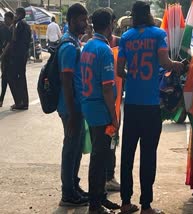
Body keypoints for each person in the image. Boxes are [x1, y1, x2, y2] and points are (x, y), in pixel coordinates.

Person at [117, 1, 184, 214]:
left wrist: (134, 78)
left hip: (132, 104)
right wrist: (177, 65)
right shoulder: (158, 34)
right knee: (148, 155)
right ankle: (146, 206)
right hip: (151, 105)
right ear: (148, 15)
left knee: (127, 155)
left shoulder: (126, 37)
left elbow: (120, 70)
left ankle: (126, 203)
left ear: (133, 16)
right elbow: (164, 63)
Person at [81, 8, 122, 214]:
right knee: (99, 158)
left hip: (90, 106)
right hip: (101, 110)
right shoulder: (103, 49)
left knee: (101, 156)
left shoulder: (88, 46)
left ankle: (100, 198)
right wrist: (114, 118)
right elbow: (107, 88)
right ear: (111, 24)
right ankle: (95, 205)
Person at [57, 3, 89, 207]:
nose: (85, 23)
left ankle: (74, 185)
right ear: (71, 21)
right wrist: (72, 111)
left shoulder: (75, 42)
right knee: (70, 148)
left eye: (85, 19)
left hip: (77, 106)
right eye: (81, 20)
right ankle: (67, 193)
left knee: (76, 148)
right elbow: (66, 82)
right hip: (71, 108)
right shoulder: (68, 46)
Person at [104, 6, 121, 193]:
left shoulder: (120, 42)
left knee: (112, 139)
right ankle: (105, 177)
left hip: (116, 102)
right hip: (103, 100)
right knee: (103, 141)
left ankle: (110, 175)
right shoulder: (92, 44)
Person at [5, 8, 31, 111]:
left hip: (18, 56)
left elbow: (14, 38)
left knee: (12, 77)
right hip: (22, 56)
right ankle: (23, 102)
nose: (15, 16)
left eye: (16, 14)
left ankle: (20, 102)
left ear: (20, 14)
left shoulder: (20, 25)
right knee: (20, 78)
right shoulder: (25, 25)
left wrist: (14, 24)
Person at [0, 11, 14, 107]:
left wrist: (3, 55)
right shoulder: (4, 28)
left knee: (5, 78)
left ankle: (1, 99)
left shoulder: (8, 29)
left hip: (7, 57)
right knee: (4, 77)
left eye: (6, 19)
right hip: (4, 56)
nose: (5, 20)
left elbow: (9, 43)